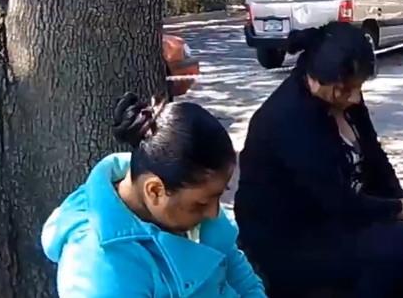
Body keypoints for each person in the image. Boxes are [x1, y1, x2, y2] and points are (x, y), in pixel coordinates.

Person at [234, 21, 403, 298]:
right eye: (345, 90)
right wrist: (401, 211)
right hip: (292, 235)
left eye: (358, 87)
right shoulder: (286, 120)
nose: (355, 97)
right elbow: (335, 202)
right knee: (397, 241)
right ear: (315, 78)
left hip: (341, 209)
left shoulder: (345, 98)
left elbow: (376, 160)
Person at [42, 93, 265, 298]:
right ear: (155, 190)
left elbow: (238, 272)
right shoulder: (98, 264)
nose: (215, 213)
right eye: (202, 202)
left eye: (219, 195)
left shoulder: (189, 200)